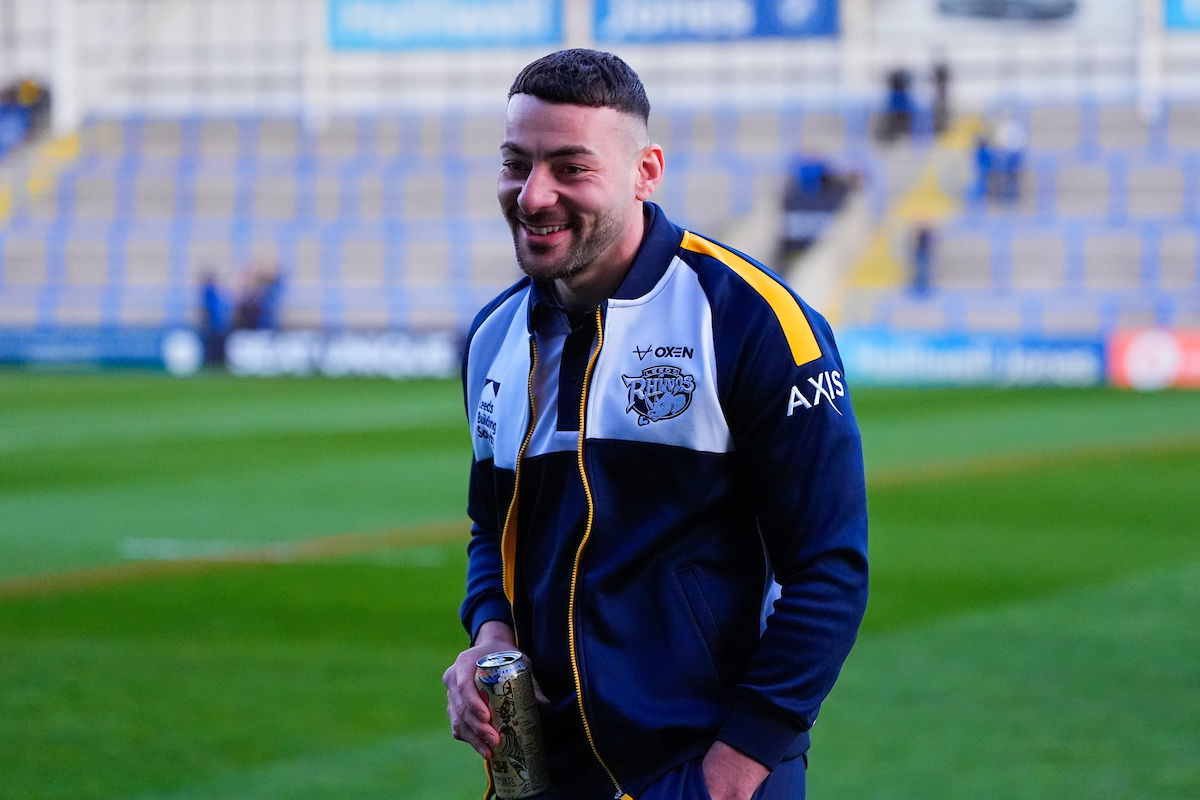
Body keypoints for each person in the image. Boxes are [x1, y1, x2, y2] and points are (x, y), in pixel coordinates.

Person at [443, 49, 868, 800]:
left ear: (646, 172)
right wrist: (490, 633)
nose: (533, 195)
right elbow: (492, 529)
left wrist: (736, 769)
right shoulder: (492, 337)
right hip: (549, 774)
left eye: (571, 168)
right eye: (516, 164)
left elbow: (827, 569)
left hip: (707, 769)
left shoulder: (752, 322)